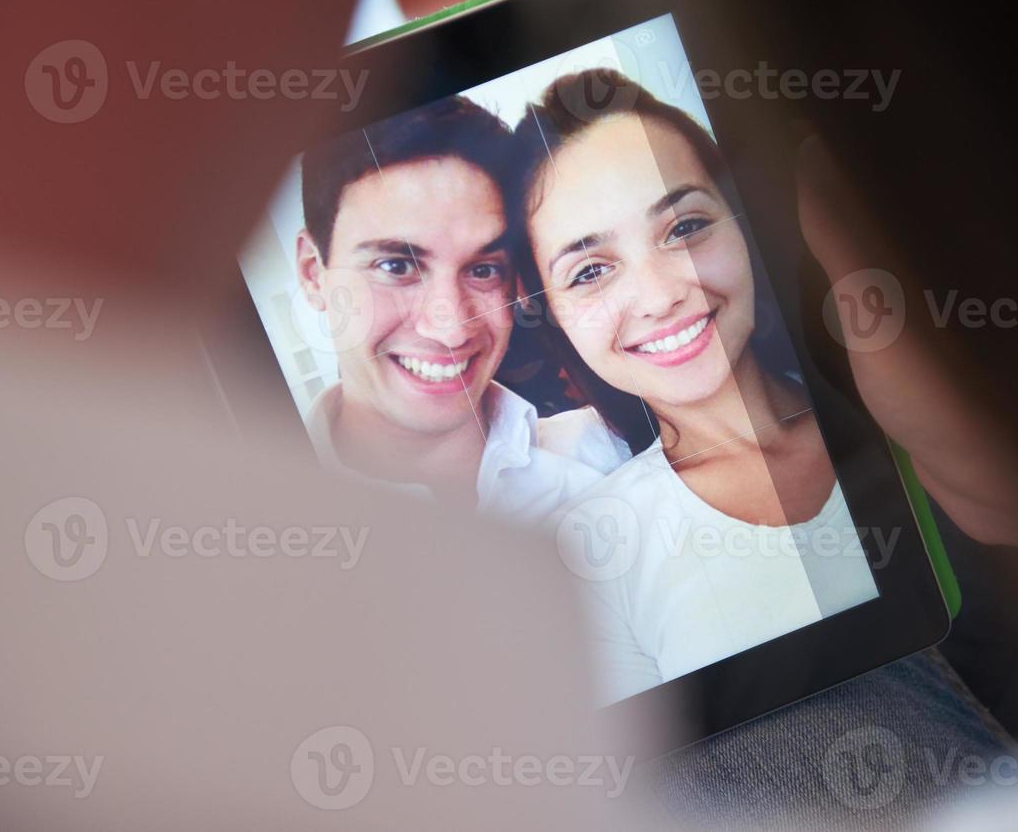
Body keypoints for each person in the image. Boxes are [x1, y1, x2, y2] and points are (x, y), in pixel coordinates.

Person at [512, 70, 880, 701]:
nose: (660, 296)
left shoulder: (882, 397)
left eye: (683, 227)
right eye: (591, 270)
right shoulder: (587, 557)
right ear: (551, 313)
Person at [296, 96, 626, 523]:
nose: (451, 328)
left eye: (484, 269)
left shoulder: (609, 456)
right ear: (311, 272)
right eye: (396, 266)